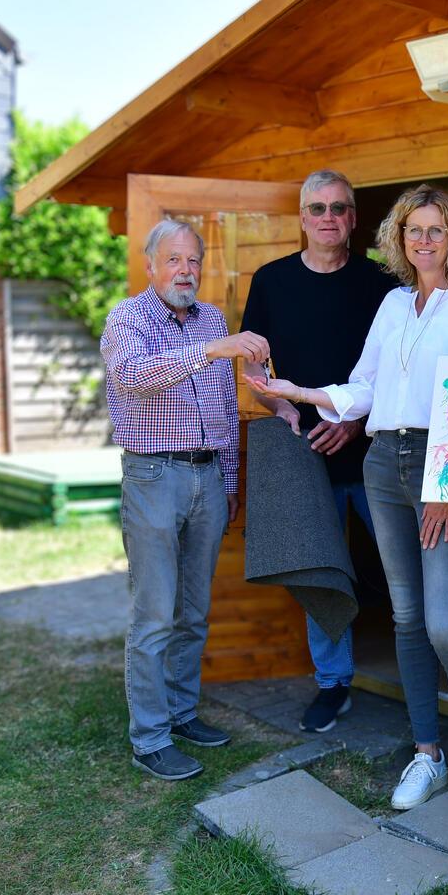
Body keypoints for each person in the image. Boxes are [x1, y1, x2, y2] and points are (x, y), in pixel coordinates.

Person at [247, 184, 448, 828]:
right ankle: (428, 753)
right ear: (398, 238)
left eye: (436, 230)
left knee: (446, 621)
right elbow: (363, 387)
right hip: (382, 461)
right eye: (413, 230)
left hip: (437, 461)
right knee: (407, 618)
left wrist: (447, 487)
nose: (424, 240)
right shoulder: (393, 304)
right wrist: (298, 391)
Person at [102, 219, 271, 781]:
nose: (185, 271)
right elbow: (132, 377)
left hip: (206, 479)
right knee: (153, 614)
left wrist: (227, 485)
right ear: (151, 266)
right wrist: (211, 350)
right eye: (173, 260)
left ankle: (180, 713)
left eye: (193, 261)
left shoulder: (211, 320)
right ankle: (149, 739)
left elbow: (224, 408)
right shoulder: (128, 318)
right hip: (152, 477)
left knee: (193, 613)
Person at [240, 169, 393, 734]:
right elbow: (255, 363)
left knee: (414, 573)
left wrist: (353, 423)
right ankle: (334, 684)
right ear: (303, 218)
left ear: (353, 218)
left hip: (375, 451)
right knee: (322, 576)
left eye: (339, 208)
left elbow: (397, 373)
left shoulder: (383, 283)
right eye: (317, 209)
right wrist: (287, 414)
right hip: (304, 456)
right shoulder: (272, 280)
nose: (328, 218)